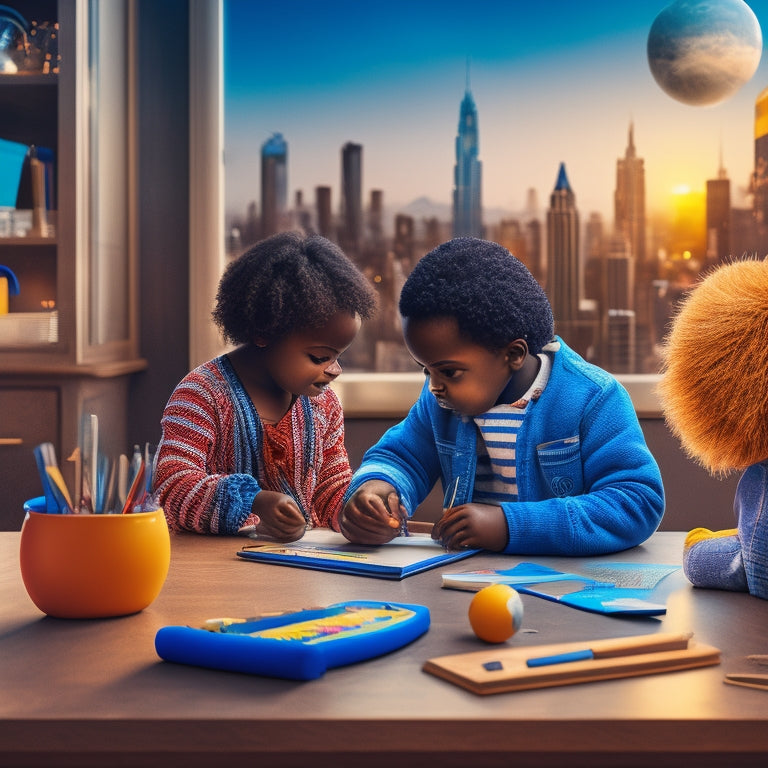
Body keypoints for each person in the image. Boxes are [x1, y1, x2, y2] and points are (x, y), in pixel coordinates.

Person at [339, 237, 664, 554]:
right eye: (426, 370)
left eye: (448, 371)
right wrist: (377, 492)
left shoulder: (593, 400)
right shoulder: (441, 402)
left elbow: (636, 501)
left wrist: (509, 526)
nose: (434, 385)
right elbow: (401, 458)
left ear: (513, 354)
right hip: (466, 582)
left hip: (565, 585)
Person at [154, 231, 377, 539]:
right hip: (215, 572)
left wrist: (355, 513)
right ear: (264, 332)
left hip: (298, 575)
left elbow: (330, 487)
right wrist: (253, 502)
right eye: (319, 357)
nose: (334, 370)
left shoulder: (324, 405)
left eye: (339, 356)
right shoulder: (201, 395)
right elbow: (172, 485)